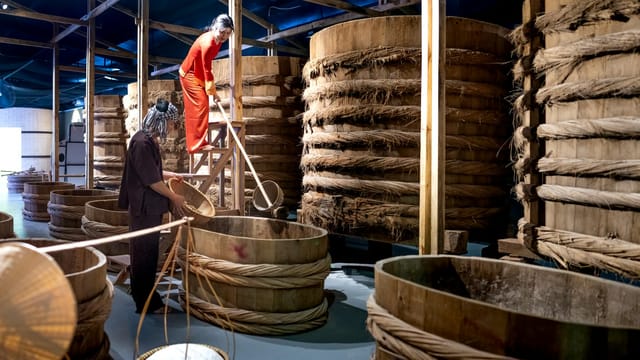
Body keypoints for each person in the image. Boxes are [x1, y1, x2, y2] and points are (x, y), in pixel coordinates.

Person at [118, 98, 187, 314]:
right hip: (144, 208)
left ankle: (144, 295)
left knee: (147, 253)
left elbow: (151, 172)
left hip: (150, 208)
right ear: (161, 122)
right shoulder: (141, 143)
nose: (172, 128)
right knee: (144, 255)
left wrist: (171, 174)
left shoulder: (148, 141)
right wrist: (174, 197)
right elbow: (150, 181)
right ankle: (147, 303)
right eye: (171, 124)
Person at [179, 13, 234, 154]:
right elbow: (206, 68)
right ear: (215, 28)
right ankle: (196, 145)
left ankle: (198, 143)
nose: (224, 36)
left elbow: (204, 68)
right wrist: (213, 92)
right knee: (201, 105)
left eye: (228, 33)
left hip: (196, 73)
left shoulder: (217, 41)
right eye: (222, 32)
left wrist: (212, 92)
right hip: (189, 74)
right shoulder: (209, 43)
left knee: (202, 105)